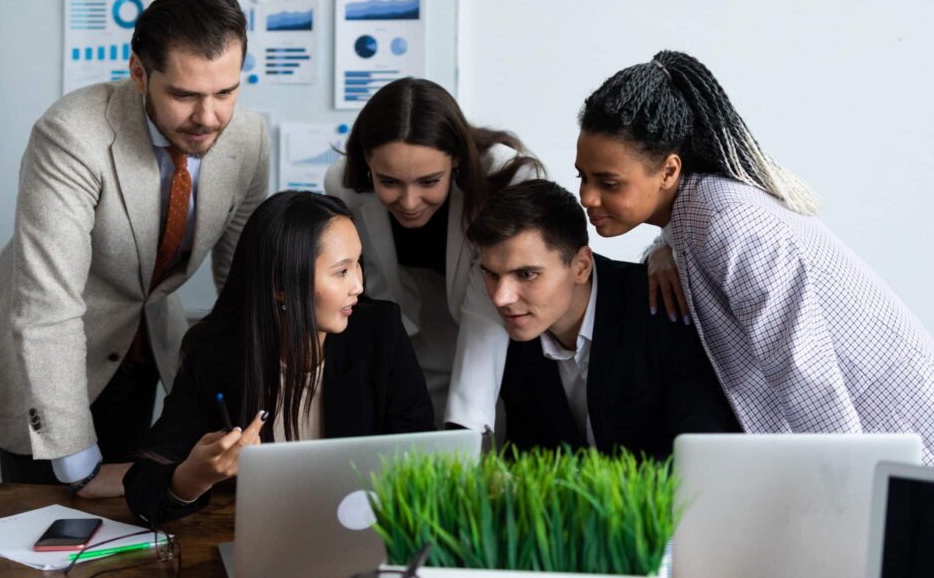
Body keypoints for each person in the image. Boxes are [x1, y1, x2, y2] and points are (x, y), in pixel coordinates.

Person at [0, 0, 271, 495]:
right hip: (41, 359)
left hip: (144, 349)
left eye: (226, 92)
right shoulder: (71, 134)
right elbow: (48, 303)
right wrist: (76, 462)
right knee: (47, 526)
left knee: (134, 528)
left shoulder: (249, 137)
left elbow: (244, 283)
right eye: (185, 95)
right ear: (139, 73)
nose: (209, 117)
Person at [576, 49, 934, 463]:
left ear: (669, 171)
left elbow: (804, 375)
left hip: (898, 433)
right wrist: (662, 248)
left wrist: (848, 491)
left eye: (609, 182)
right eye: (582, 176)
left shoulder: (732, 224)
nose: (587, 197)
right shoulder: (697, 210)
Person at [124, 192, 435, 524]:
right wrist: (194, 476)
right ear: (280, 284)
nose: (358, 285)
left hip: (363, 533)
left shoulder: (379, 332)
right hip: (260, 538)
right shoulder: (214, 354)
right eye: (341, 271)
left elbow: (422, 459)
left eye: (358, 263)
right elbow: (143, 487)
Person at [324, 77, 543, 425]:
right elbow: (379, 295)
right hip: (414, 319)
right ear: (368, 161)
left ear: (456, 158)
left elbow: (489, 311)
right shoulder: (344, 185)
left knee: (485, 429)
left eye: (429, 181)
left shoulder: (505, 179)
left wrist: (464, 427)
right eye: (390, 182)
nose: (409, 203)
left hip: (502, 323)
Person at [467, 180, 740, 458]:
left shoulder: (662, 309)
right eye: (491, 274)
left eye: (526, 274)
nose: (501, 298)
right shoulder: (512, 335)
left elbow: (703, 454)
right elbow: (528, 462)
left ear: (581, 267)